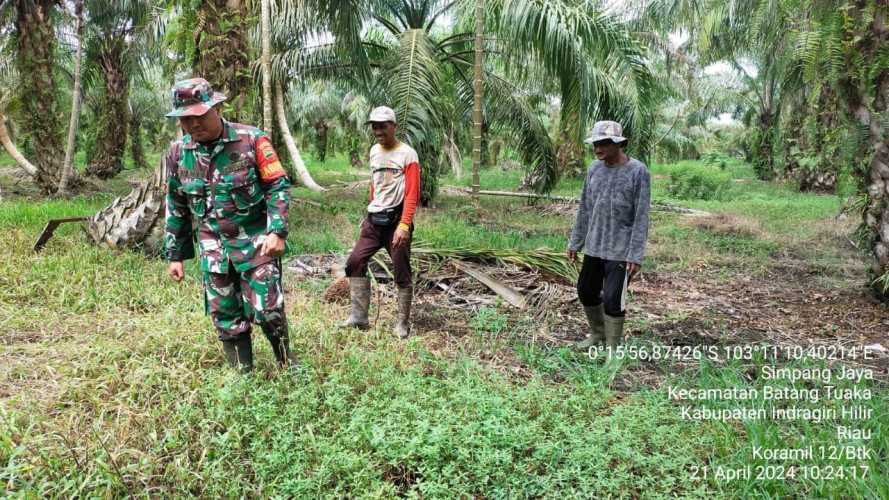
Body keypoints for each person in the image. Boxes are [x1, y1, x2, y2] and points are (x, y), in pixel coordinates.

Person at [163, 77, 297, 372]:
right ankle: (243, 374)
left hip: (256, 242)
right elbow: (176, 204)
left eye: (199, 116)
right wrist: (176, 255)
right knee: (225, 314)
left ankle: (288, 365)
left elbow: (278, 185)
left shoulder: (251, 140)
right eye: (186, 119)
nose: (193, 124)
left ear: (217, 108)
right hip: (214, 249)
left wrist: (277, 231)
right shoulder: (178, 153)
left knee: (268, 309)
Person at [568, 120, 650, 350]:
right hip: (594, 244)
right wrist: (576, 241)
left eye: (604, 143)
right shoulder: (594, 169)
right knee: (585, 291)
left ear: (619, 144)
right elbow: (585, 207)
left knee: (614, 299)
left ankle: (613, 349)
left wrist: (636, 255)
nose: (598, 148)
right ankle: (598, 334)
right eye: (596, 143)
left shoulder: (638, 172)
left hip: (621, 249)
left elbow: (641, 216)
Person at [340, 106, 420, 338]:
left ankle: (402, 324)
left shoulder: (408, 154)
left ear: (393, 126)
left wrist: (404, 225)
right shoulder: (374, 151)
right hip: (374, 221)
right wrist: (371, 207)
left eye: (382, 125)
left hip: (396, 222)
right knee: (355, 262)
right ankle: (359, 317)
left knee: (401, 272)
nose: (378, 130)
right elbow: (375, 184)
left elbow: (412, 193)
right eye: (374, 126)